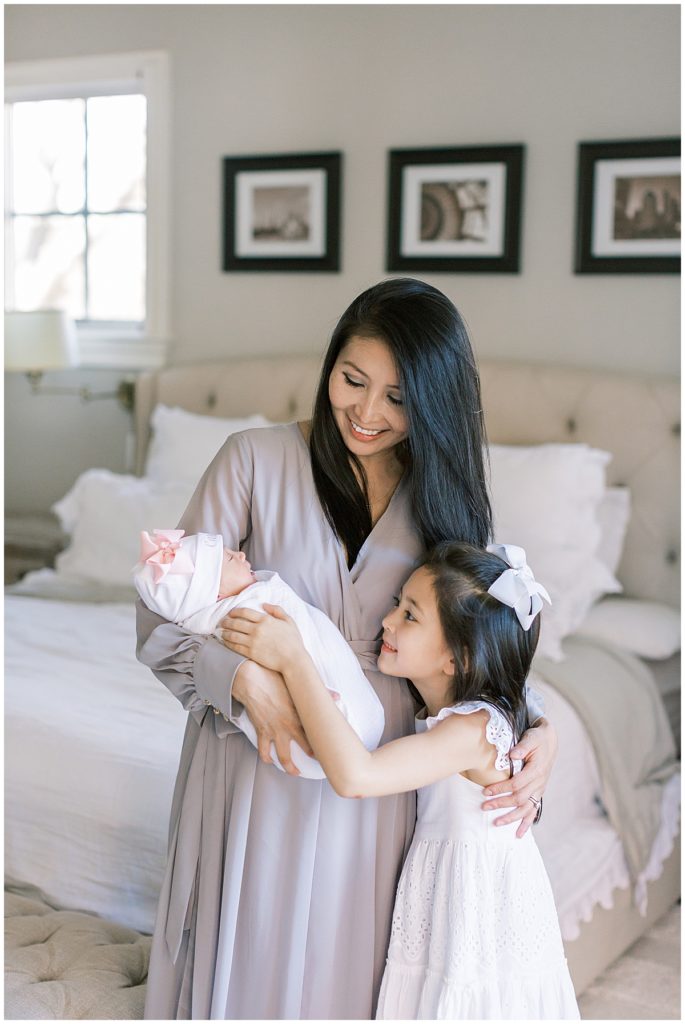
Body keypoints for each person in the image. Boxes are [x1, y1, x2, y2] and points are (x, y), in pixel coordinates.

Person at [136, 278, 558, 1019]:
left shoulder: (447, 501)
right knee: (247, 970)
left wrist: (537, 728)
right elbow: (160, 621)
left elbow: (479, 641)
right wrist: (243, 682)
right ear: (330, 363)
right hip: (252, 765)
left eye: (397, 398)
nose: (365, 413)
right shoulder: (252, 461)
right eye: (351, 380)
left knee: (354, 980)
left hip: (380, 786)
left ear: (432, 402)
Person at [222, 542, 579, 1020]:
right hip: (454, 887)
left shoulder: (470, 731)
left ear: (457, 659)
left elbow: (355, 776)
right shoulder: (474, 712)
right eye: (397, 605)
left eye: (410, 615)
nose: (387, 621)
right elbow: (532, 706)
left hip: (476, 904)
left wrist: (295, 659)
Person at [133, 529, 385, 776]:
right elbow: (159, 639)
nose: (241, 555)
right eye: (230, 557)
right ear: (214, 593)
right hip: (290, 741)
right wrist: (243, 677)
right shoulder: (239, 614)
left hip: (373, 746)